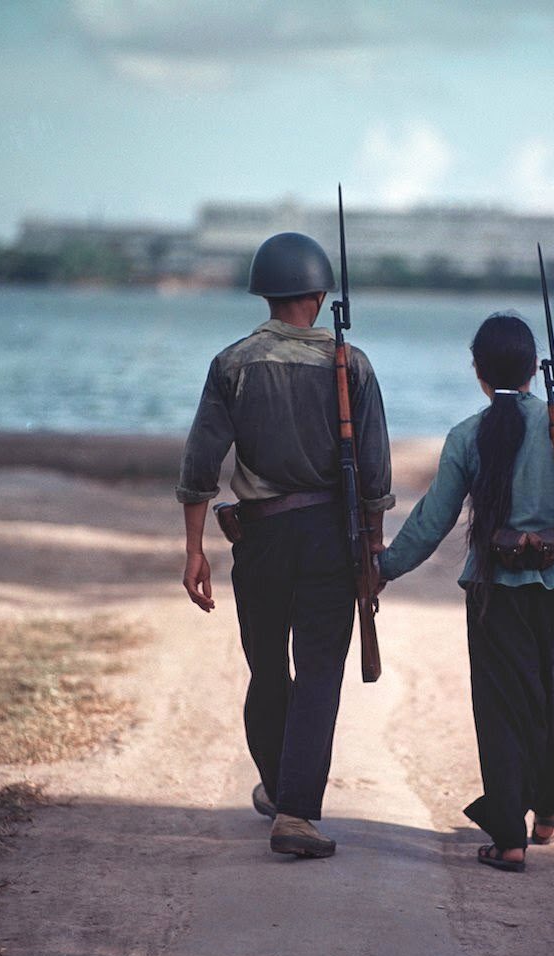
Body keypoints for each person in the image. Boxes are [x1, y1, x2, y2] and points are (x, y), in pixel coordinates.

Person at [377, 311, 554, 872]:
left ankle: (512, 836)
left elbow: (432, 519)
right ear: (535, 370)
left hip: (494, 595)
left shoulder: (467, 435)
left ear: (479, 372)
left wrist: (385, 566)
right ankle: (545, 814)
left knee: (501, 711)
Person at [176, 231, 394, 859]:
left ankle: (277, 784)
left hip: (261, 539)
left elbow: (199, 466)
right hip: (333, 538)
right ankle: (294, 810)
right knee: (321, 674)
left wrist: (194, 550)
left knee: (268, 668)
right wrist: (371, 554)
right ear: (320, 295)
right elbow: (375, 477)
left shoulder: (232, 363)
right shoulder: (352, 365)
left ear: (265, 293)